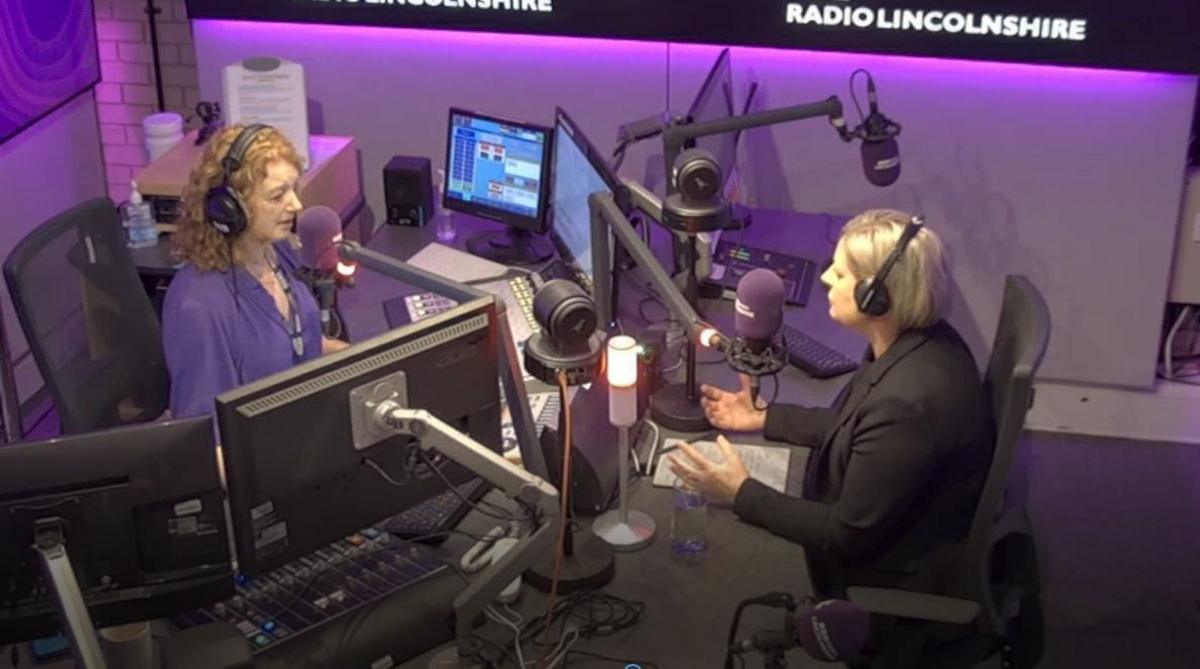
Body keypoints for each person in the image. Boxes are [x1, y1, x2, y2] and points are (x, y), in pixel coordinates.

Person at [669, 209, 993, 572]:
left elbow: (844, 535)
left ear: (874, 297)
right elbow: (854, 424)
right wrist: (762, 417)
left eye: (839, 274)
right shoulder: (915, 342)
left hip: (889, 565)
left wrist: (740, 493)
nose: (825, 278)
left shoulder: (906, 405)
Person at [162, 124, 349, 419]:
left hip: (308, 425)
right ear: (229, 208)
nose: (296, 205)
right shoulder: (199, 307)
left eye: (294, 189)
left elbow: (300, 345)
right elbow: (205, 441)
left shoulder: (277, 252)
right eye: (277, 197)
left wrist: (367, 361)